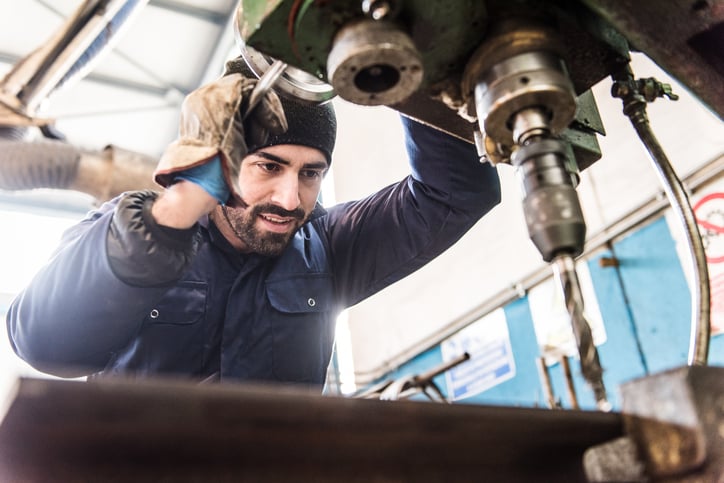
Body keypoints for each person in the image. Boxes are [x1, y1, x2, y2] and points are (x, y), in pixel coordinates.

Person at [5, 60, 501, 388]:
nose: (290, 199)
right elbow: (42, 343)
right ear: (220, 160)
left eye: (311, 174)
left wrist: (414, 76)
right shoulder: (136, 228)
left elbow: (457, 193)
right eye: (268, 166)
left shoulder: (328, 249)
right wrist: (180, 207)